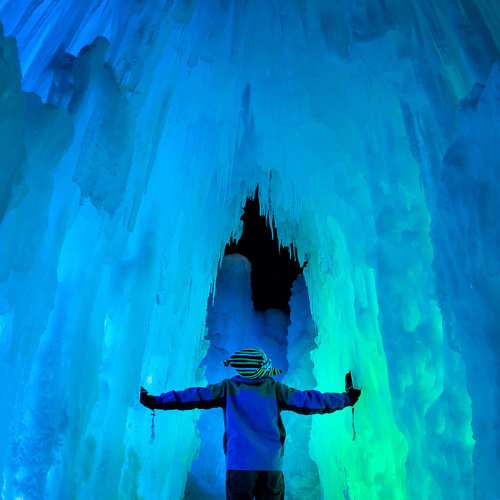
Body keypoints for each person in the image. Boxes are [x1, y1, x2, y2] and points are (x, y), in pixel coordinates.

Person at [140, 347, 361, 500]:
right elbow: (310, 400)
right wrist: (346, 398)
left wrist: (155, 401)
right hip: (270, 466)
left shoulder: (227, 388)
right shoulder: (275, 389)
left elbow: (192, 396)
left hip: (239, 465)